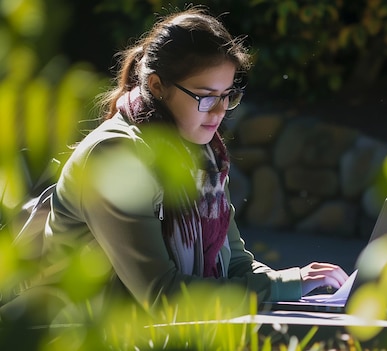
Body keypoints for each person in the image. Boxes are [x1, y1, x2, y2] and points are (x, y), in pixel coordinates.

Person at [0, 6, 348, 323]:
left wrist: (298, 281)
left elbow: (236, 264)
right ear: (157, 86)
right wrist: (286, 287)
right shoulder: (116, 156)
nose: (220, 110)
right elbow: (162, 296)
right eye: (206, 96)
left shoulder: (204, 154)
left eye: (228, 95)